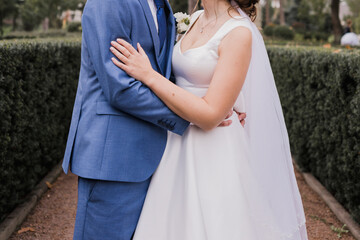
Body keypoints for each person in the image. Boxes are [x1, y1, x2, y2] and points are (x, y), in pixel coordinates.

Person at [110, 0, 309, 238]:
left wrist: (148, 76)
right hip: (175, 141)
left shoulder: (239, 33)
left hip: (212, 149)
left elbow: (210, 117)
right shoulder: (194, 19)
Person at [61, 0, 245, 239]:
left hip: (157, 157)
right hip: (114, 157)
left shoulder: (161, 4)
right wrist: (195, 115)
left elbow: (164, 72)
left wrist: (217, 100)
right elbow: (119, 88)